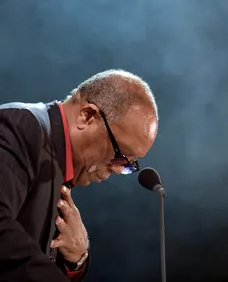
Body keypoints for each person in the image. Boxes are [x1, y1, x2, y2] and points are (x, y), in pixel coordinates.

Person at [0, 69, 159, 281]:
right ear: (87, 116)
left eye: (129, 165)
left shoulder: (60, 165)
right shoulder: (20, 126)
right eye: (120, 155)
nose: (118, 170)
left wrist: (76, 259)